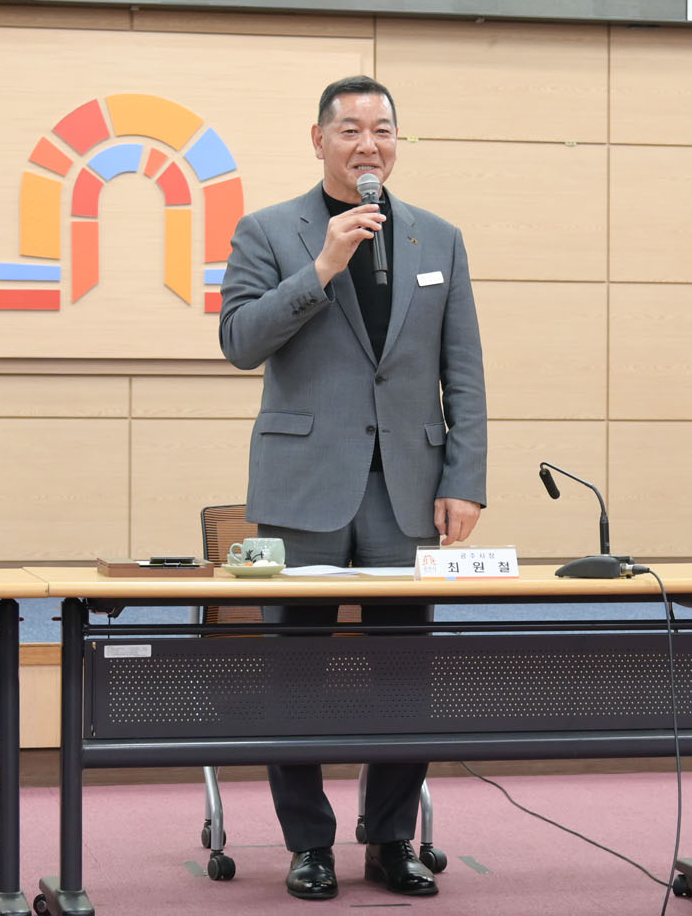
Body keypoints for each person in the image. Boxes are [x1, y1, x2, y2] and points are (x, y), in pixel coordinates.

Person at [219, 76, 488, 901]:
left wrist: (465, 478)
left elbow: (463, 372)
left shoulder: (440, 239)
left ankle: (391, 839)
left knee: (406, 677)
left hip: (407, 493)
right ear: (319, 139)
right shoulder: (270, 230)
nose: (368, 144)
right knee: (294, 677)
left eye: (383, 129)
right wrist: (324, 266)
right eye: (350, 129)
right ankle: (308, 843)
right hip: (303, 488)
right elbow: (240, 341)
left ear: (397, 141)